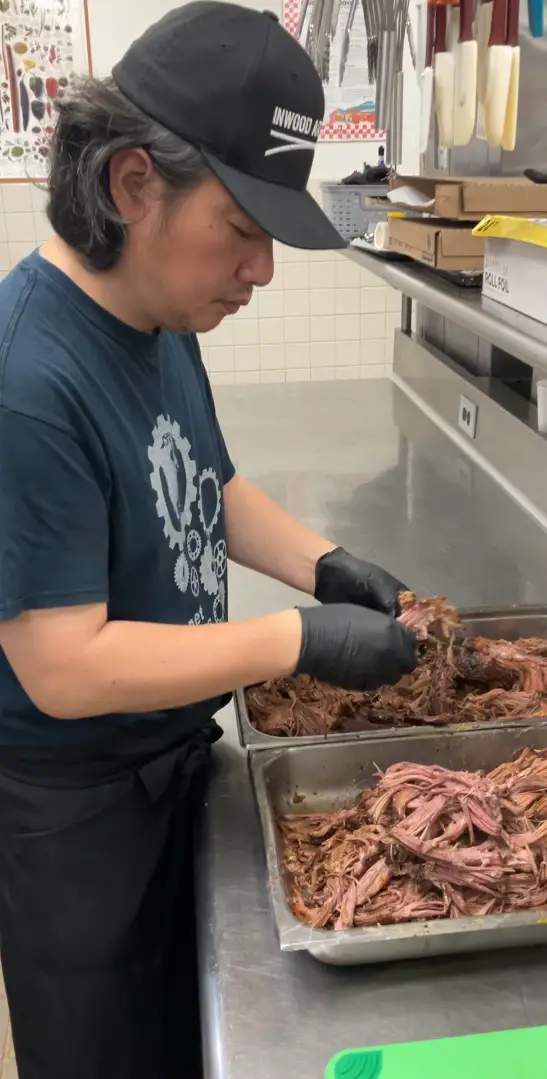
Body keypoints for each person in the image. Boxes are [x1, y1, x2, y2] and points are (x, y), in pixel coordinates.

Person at [0, 3, 417, 1077]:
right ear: (133, 184)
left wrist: (323, 562)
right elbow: (61, 663)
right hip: (81, 827)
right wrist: (296, 639)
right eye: (244, 230)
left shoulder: (157, 321)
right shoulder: (27, 379)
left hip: (174, 765)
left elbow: (209, 483)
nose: (261, 272)